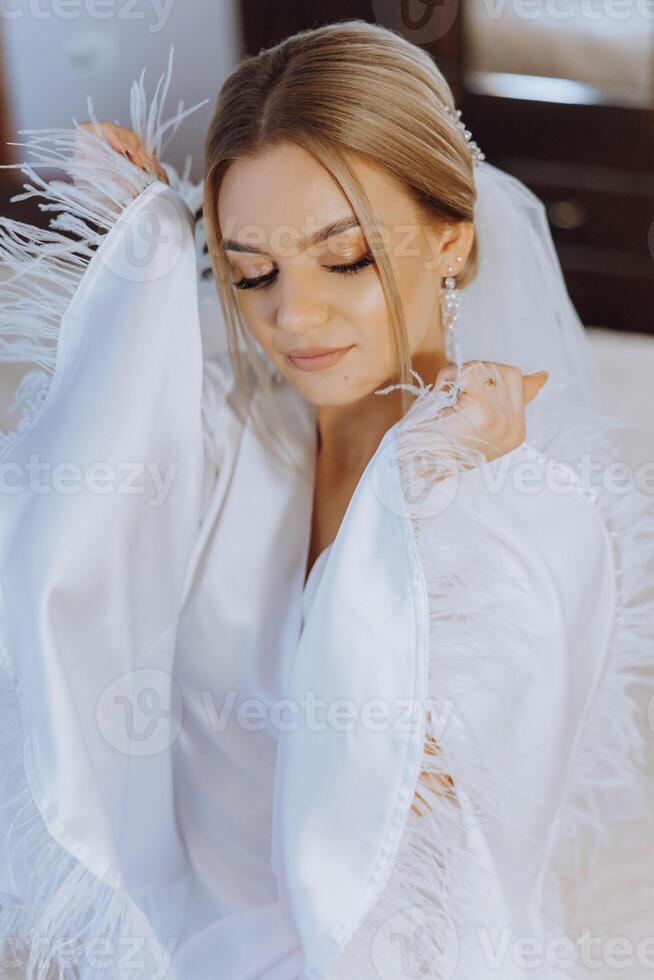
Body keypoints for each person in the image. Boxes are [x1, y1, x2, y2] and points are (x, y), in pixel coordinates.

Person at [0, 21, 651, 980]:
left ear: (450, 237)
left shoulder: (520, 518)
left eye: (344, 259)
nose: (292, 318)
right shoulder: (241, 434)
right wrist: (131, 269)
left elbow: (399, 855)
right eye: (250, 271)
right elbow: (74, 551)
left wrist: (425, 492)